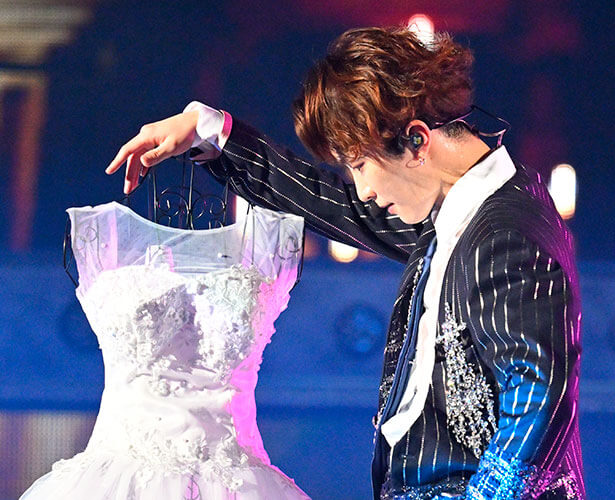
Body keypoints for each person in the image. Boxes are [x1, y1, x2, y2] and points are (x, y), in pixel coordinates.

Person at [107, 26, 584, 499]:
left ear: (417, 140)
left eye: (359, 165)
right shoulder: (460, 207)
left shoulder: (506, 232)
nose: (365, 190)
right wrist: (210, 131)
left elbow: (541, 397)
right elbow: (337, 206)